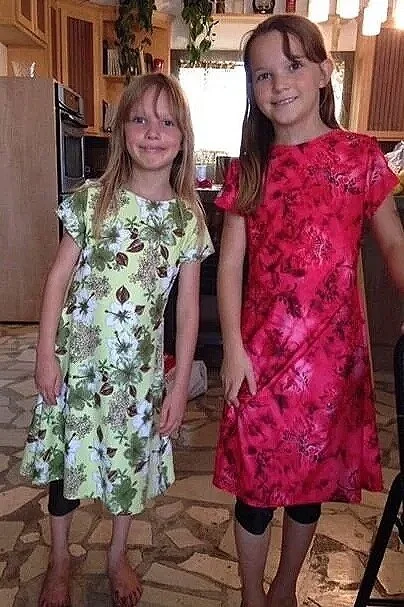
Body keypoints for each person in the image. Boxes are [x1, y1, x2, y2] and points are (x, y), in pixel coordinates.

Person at [212, 14, 404, 607]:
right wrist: (232, 349)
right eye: (263, 75)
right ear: (252, 90)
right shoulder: (250, 170)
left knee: (306, 489)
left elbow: (394, 244)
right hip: (259, 360)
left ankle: (285, 588)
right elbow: (229, 266)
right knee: (253, 491)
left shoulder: (360, 159)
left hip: (329, 366)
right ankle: (251, 594)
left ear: (323, 72)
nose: (279, 84)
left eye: (293, 66)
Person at [20, 72, 213, 607]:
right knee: (67, 466)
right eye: (140, 119)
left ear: (183, 136)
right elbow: (58, 277)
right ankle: (60, 559)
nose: (153, 132)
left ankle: (116, 553)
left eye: (167, 122)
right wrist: (44, 354)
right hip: (77, 368)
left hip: (138, 377)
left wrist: (179, 384)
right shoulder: (91, 200)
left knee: (128, 466)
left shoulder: (187, 219)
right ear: (121, 129)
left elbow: (189, 310)